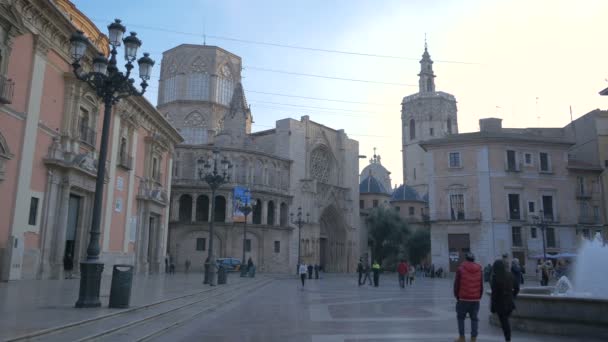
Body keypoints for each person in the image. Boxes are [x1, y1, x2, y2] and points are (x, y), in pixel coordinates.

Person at [453, 252, 483, 342]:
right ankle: (473, 339)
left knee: (460, 317)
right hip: (475, 299)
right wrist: (479, 296)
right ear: (474, 259)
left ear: (466, 259)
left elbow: (456, 284)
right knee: (474, 318)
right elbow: (481, 285)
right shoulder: (479, 269)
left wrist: (457, 296)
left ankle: (462, 338)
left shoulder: (460, 269)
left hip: (463, 298)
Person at [491, 259, 519, 342]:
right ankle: (507, 338)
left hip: (501, 305)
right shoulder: (510, 275)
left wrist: (493, 306)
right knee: (505, 321)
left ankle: (508, 339)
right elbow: (517, 288)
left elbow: (494, 294)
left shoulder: (495, 278)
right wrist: (512, 296)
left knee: (505, 323)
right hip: (510, 303)